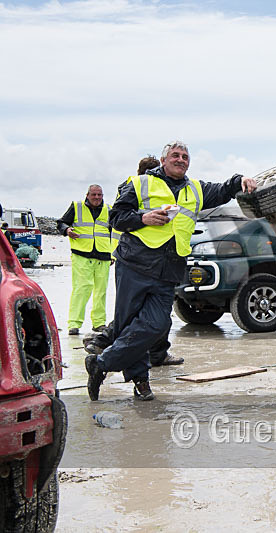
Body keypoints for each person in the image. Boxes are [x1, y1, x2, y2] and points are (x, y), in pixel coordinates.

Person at [84, 141, 256, 401]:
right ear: (163, 161)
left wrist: (241, 179)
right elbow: (116, 217)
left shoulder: (196, 189)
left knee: (157, 324)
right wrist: (142, 219)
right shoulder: (140, 183)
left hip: (169, 269)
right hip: (134, 265)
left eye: (185, 156)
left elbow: (223, 190)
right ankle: (141, 382)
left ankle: (101, 363)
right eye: (175, 155)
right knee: (128, 325)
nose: (181, 159)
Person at [85, 154, 178, 367]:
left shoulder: (129, 186)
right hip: (138, 258)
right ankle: (113, 349)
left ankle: (107, 344)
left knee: (143, 314)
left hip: (127, 255)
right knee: (143, 317)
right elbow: (119, 218)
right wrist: (144, 219)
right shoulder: (141, 188)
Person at [57, 185, 113, 335]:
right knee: (81, 289)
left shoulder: (109, 209)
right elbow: (61, 223)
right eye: (94, 194)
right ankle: (74, 324)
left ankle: (99, 323)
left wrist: (113, 255)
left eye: (99, 195)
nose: (96, 197)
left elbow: (115, 233)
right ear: (87, 195)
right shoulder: (77, 207)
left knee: (101, 291)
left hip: (103, 256)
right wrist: (67, 230)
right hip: (82, 254)